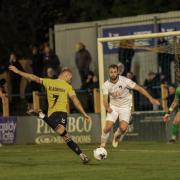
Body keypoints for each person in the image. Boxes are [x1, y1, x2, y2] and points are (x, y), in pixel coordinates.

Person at [9, 65, 91, 164]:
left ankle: (82, 156)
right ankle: (41, 115)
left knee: (65, 136)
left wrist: (19, 72)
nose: (71, 80)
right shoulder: (67, 86)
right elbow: (75, 100)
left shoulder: (50, 82)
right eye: (70, 77)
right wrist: (84, 114)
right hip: (58, 113)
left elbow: (33, 77)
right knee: (62, 132)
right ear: (66, 75)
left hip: (55, 114)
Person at [100, 64, 160, 148]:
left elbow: (139, 88)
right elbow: (104, 100)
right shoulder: (105, 85)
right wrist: (107, 108)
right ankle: (102, 146)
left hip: (125, 106)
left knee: (123, 128)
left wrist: (151, 98)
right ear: (108, 73)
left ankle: (116, 135)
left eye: (114, 72)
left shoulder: (125, 81)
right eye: (111, 72)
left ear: (118, 73)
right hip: (113, 106)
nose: (113, 74)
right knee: (107, 127)